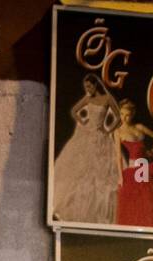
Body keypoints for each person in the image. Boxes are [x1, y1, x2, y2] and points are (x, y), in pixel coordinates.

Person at [51, 74, 122, 224]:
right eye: (86, 87)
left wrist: (108, 130)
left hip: (101, 137)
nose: (87, 89)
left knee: (101, 175)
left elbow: (119, 119)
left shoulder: (107, 99)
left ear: (96, 85)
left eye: (89, 86)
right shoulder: (88, 99)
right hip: (86, 135)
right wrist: (82, 121)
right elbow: (74, 111)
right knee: (81, 172)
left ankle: (96, 213)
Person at [113, 99, 153, 229]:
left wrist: (152, 151)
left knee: (151, 202)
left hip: (146, 167)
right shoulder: (118, 132)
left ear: (132, 114)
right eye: (121, 114)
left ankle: (151, 228)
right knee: (138, 202)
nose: (124, 118)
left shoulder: (139, 127)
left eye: (127, 115)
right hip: (134, 169)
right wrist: (120, 177)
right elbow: (118, 156)